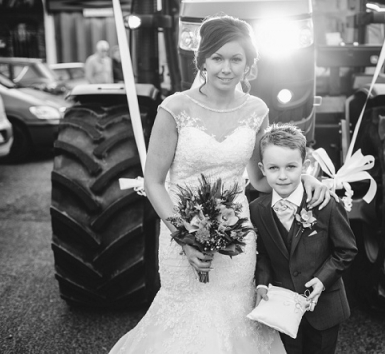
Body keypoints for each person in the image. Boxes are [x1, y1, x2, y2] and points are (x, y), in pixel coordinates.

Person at [109, 15, 332, 354]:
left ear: (248, 65)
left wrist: (302, 178)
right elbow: (154, 183)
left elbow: (260, 177)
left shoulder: (257, 110)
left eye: (236, 59)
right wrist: (184, 238)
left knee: (234, 317)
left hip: (237, 237)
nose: (226, 68)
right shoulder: (174, 108)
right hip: (179, 231)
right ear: (202, 60)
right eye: (217, 58)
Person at [252, 123, 358, 354]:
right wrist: (262, 282)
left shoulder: (326, 204)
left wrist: (322, 280)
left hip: (324, 309)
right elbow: (262, 254)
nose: (282, 176)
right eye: (273, 168)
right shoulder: (257, 210)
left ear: (305, 166)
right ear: (262, 168)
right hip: (282, 308)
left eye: (291, 167)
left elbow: (346, 250)